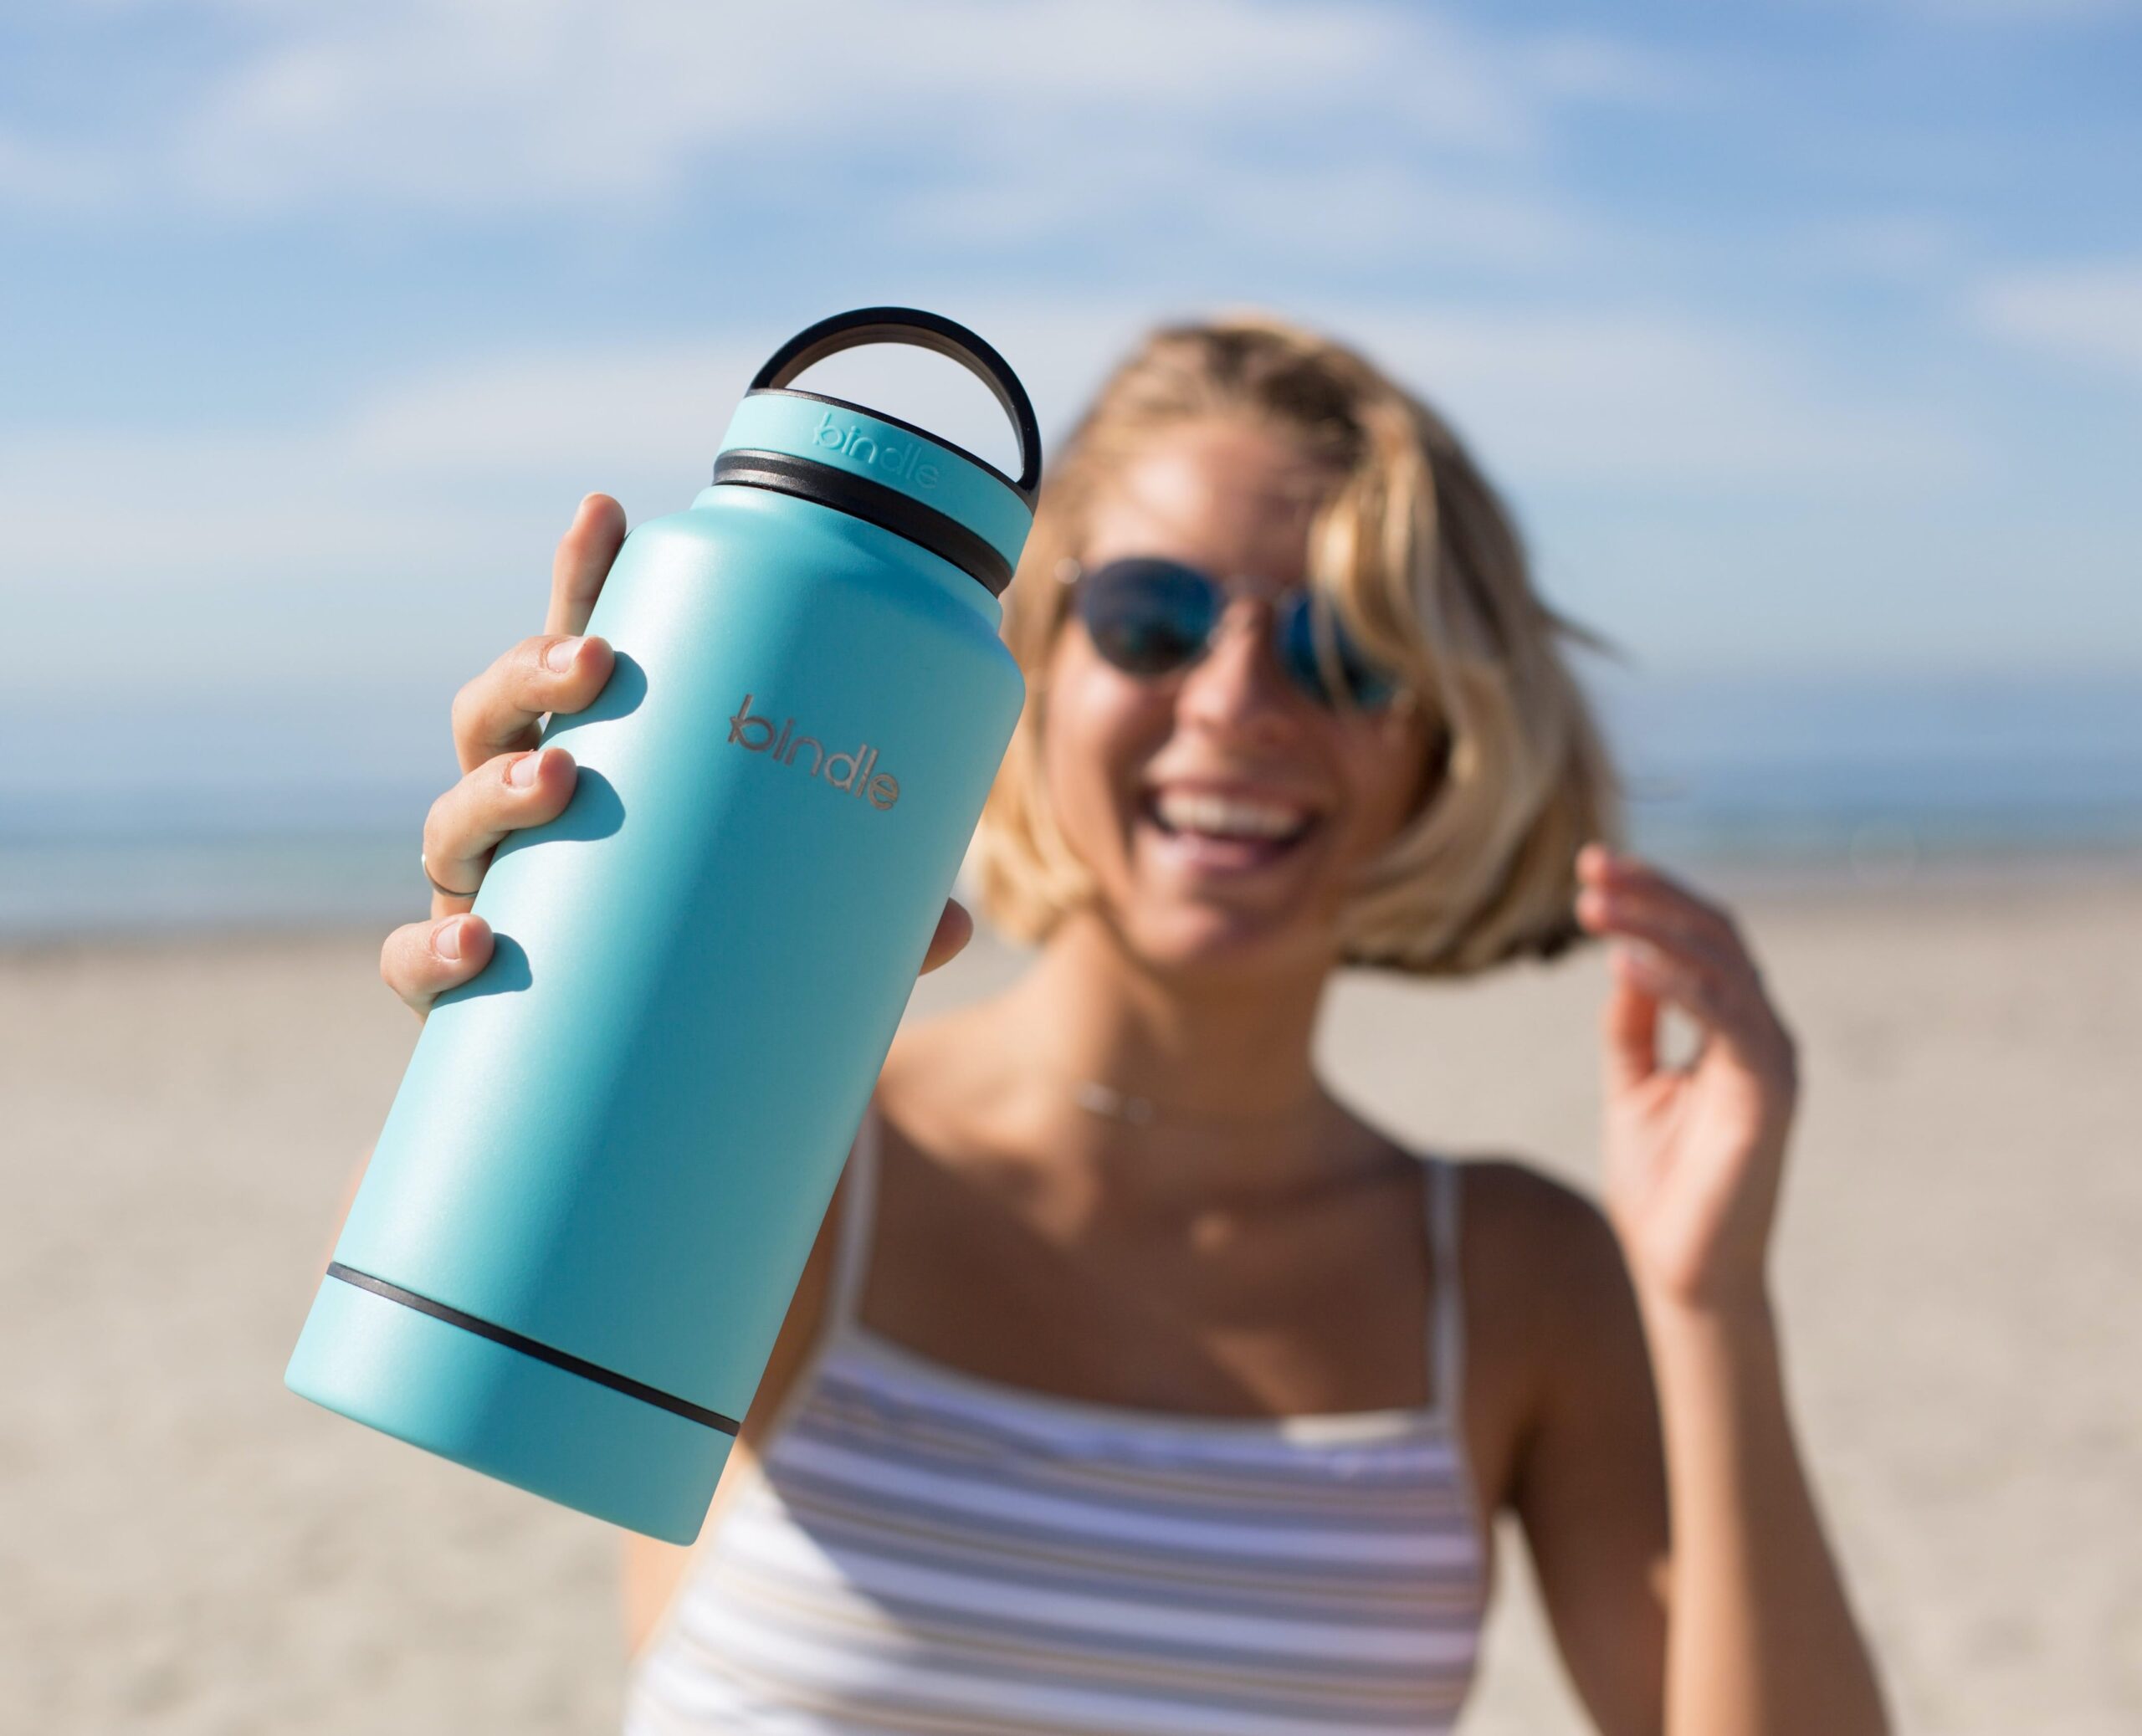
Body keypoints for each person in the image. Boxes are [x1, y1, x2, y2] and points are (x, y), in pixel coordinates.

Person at [378, 314, 1890, 1733]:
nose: (1236, 702)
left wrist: (1710, 1300)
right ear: (1027, 666)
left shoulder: (1514, 1281)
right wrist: (573, 901)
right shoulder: (804, 1158)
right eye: (1154, 621)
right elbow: (453, 1320)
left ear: (1443, 736)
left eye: (1347, 652)